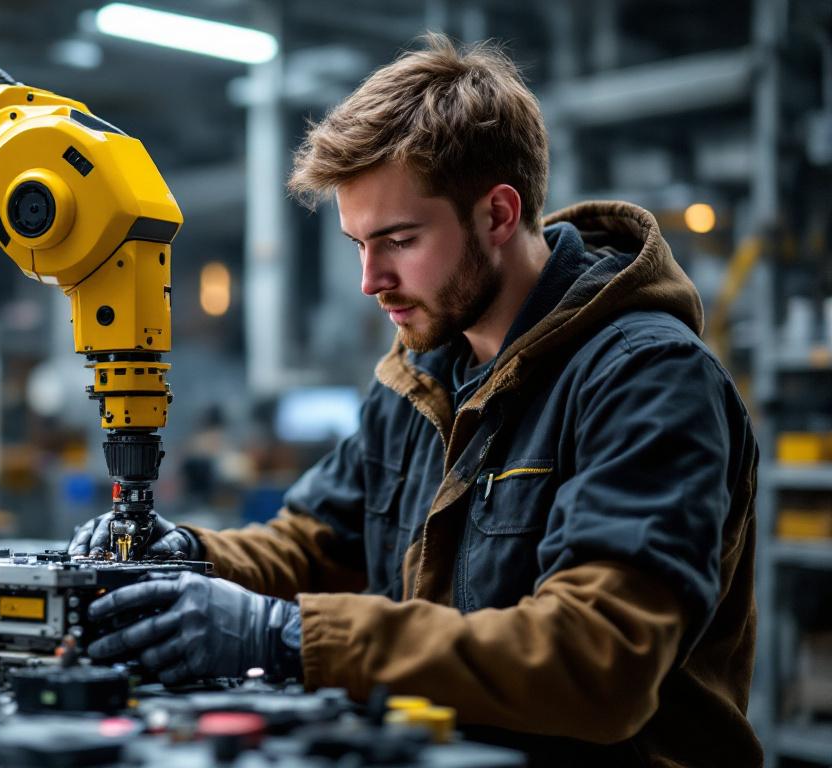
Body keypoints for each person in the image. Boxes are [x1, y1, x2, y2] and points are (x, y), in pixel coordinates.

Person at [69, 33, 759, 766]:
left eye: (398, 240)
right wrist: (189, 558)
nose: (371, 280)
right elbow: (314, 543)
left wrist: (288, 636)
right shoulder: (419, 375)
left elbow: (598, 659)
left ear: (497, 215)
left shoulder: (646, 379)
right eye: (358, 245)